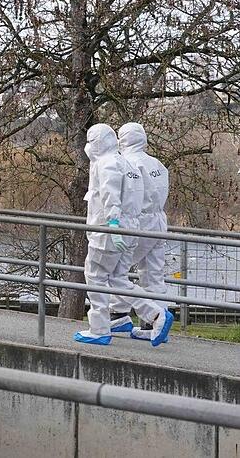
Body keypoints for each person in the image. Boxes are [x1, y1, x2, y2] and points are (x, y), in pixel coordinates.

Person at [74, 124, 173, 347]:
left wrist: (114, 225)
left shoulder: (112, 163)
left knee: (97, 276)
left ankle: (101, 327)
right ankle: (156, 315)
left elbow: (110, 198)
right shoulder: (147, 164)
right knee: (131, 276)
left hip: (113, 228)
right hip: (143, 224)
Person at [107, 122, 171, 341]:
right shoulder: (157, 164)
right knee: (153, 273)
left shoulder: (125, 163)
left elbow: (125, 196)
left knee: (117, 270)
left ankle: (119, 315)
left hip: (137, 221)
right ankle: (155, 322)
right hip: (159, 221)